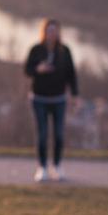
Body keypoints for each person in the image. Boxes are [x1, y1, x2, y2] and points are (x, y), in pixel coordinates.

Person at [23, 18, 78, 182]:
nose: (52, 34)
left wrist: (75, 94)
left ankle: (57, 166)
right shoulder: (36, 49)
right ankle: (42, 168)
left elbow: (71, 73)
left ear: (58, 32)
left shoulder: (65, 51)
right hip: (39, 98)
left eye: (54, 30)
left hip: (59, 99)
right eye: (49, 30)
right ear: (44, 32)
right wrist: (38, 69)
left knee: (59, 134)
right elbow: (27, 69)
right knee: (42, 134)